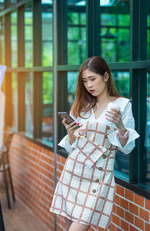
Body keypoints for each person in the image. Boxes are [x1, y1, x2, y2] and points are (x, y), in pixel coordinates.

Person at [50, 56, 139, 231]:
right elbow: (72, 146)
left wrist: (120, 126)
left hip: (99, 178)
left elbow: (127, 148)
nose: (89, 85)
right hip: (74, 172)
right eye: (85, 81)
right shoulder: (81, 107)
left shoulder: (122, 105)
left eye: (93, 79)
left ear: (106, 76)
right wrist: (71, 133)